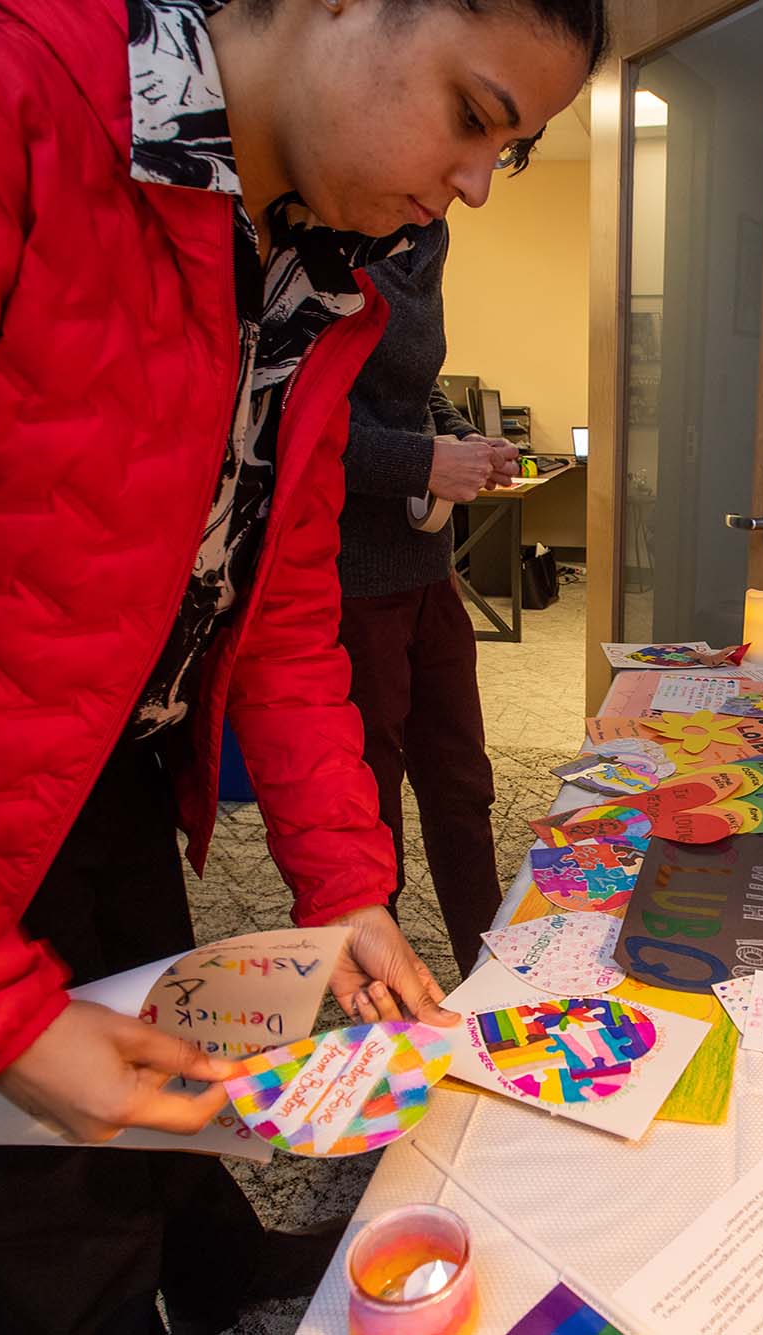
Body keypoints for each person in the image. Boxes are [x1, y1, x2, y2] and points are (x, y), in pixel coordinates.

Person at [0, 0, 602, 1330]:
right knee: (63, 1234)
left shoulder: (319, 271)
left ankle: (215, 1266)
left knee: (177, 1080)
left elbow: (274, 609)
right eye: (474, 115)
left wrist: (344, 881)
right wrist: (2, 1026)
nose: (476, 185)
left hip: (91, 756)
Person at [336, 217, 519, 974]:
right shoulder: (317, 238)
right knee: (367, 807)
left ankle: (489, 969)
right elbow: (297, 428)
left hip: (429, 575)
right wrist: (422, 461)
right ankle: (382, 991)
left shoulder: (429, 234)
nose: (471, 188)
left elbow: (415, 394)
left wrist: (467, 443)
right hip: (350, 582)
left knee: (461, 783)